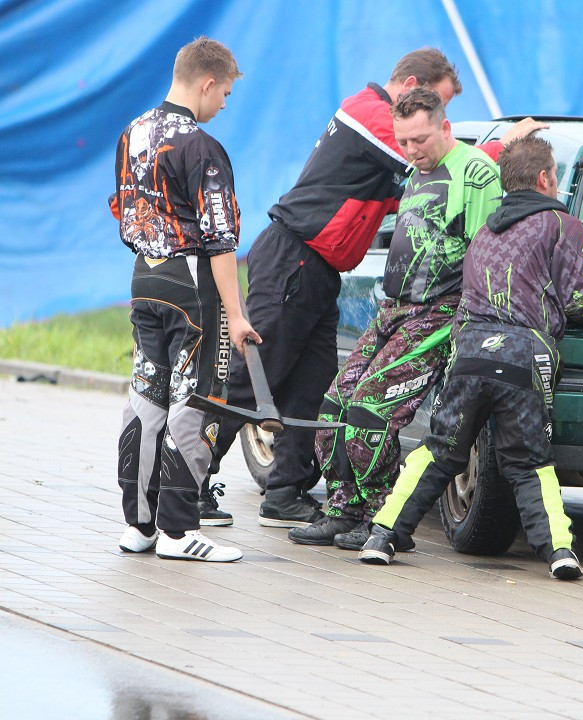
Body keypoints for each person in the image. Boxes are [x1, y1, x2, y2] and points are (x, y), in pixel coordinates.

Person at [201, 48, 545, 529]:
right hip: (291, 257)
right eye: (431, 102)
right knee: (253, 375)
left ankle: (285, 489)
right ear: (408, 88)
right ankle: (190, 481)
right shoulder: (369, 114)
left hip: (319, 269)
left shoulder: (382, 136)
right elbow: (446, 166)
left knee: (313, 384)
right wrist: (505, 146)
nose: (433, 125)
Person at [358, 136, 583, 578]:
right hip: (523, 357)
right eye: (555, 176)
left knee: (441, 450)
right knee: (529, 460)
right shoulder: (562, 225)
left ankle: (382, 535)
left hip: (469, 356)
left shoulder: (485, 229)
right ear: (544, 178)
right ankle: (559, 552)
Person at [288, 87, 505, 546]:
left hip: (440, 314)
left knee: (371, 409)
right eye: (403, 141)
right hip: (394, 309)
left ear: (445, 128)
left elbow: (486, 258)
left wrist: (469, 331)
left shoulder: (477, 174)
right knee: (334, 403)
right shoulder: (415, 170)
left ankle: (385, 519)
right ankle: (344, 509)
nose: (410, 152)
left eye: (420, 140)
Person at [114, 37, 258, 562]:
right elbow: (221, 238)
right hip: (192, 285)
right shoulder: (200, 147)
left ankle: (140, 525)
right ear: (207, 83)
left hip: (143, 281)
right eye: (224, 95)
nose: (223, 106)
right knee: (196, 400)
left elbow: (126, 219)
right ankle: (179, 532)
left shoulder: (132, 135)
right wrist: (236, 316)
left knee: (144, 399)